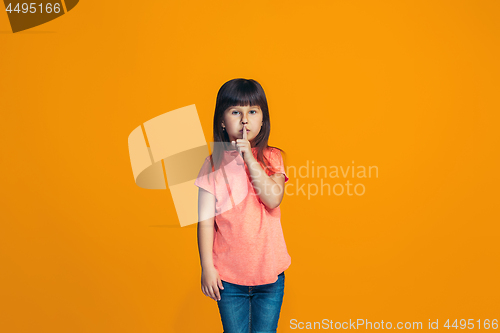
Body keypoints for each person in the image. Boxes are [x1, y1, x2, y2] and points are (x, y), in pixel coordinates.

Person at [194, 78, 291, 333]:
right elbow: (205, 222)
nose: (245, 119)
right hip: (228, 278)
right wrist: (206, 267)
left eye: (252, 111)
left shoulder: (273, 158)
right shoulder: (212, 165)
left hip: (269, 275)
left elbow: (272, 198)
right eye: (236, 112)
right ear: (223, 122)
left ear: (263, 120)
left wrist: (249, 156)